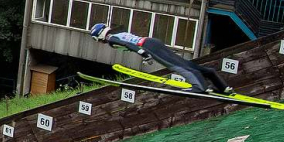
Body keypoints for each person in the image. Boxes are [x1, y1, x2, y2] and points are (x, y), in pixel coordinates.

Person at [90, 23, 231, 94]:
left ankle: (200, 87)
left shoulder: (111, 39)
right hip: (152, 41)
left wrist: (144, 54)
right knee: (184, 63)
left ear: (100, 36)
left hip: (147, 46)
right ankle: (223, 87)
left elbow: (127, 44)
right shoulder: (116, 31)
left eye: (97, 40)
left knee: (176, 66)